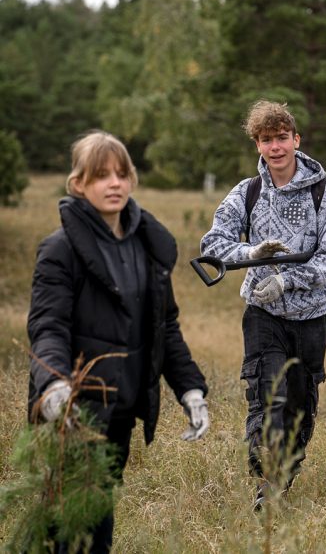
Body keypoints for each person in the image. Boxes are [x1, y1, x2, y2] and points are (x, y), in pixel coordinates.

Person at [27, 130, 210, 552]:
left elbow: (166, 328)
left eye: (122, 174)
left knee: (93, 522)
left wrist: (191, 389)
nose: (114, 184)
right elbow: (47, 327)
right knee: (77, 529)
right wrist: (54, 384)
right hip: (74, 414)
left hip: (121, 412)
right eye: (101, 175)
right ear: (79, 184)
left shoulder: (146, 247)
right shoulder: (60, 251)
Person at [200, 100, 326, 507]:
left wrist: (287, 279)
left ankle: (285, 475)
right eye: (266, 140)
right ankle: (266, 482)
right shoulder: (248, 193)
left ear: (296, 140)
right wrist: (251, 253)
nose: (275, 147)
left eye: (282, 137)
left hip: (313, 317)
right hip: (262, 314)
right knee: (269, 397)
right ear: (257, 145)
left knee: (300, 404)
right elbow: (212, 246)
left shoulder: (322, 191)